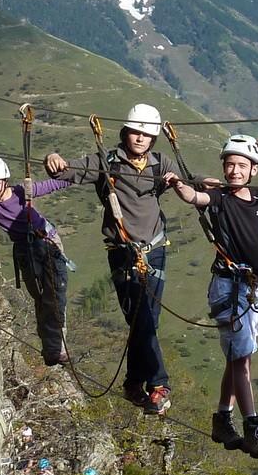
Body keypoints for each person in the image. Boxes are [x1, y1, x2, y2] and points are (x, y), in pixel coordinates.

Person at [163, 128, 258, 457]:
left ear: (254, 169)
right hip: (229, 287)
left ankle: (222, 418)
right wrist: (177, 184)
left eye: (241, 166)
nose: (234, 171)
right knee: (241, 360)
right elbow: (194, 197)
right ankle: (253, 429)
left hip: (253, 289)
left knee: (239, 357)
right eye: (229, 165)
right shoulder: (220, 198)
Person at [44, 104, 175, 415]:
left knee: (147, 320)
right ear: (126, 132)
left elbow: (186, 182)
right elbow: (67, 170)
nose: (141, 138)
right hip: (123, 252)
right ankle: (159, 384)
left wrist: (189, 183)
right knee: (141, 318)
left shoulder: (161, 164)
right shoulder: (105, 162)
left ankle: (133, 382)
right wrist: (52, 158)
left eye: (146, 134)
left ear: (153, 138)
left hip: (155, 249)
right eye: (136, 132)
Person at [0, 146, 73, 366]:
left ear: (5, 181)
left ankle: (58, 348)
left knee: (55, 296)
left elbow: (58, 183)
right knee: (41, 300)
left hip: (47, 243)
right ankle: (51, 350)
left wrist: (81, 172)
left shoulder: (22, 193)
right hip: (26, 252)